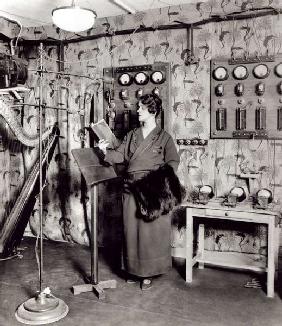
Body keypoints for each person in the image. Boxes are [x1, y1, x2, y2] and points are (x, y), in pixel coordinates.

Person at [98, 93, 180, 290]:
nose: (138, 111)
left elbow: (173, 163)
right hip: (130, 190)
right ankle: (134, 269)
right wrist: (104, 152)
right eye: (139, 107)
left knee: (150, 234)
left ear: (152, 111)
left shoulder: (164, 138)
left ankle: (148, 273)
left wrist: (155, 184)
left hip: (152, 193)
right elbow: (119, 155)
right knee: (132, 232)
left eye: (142, 108)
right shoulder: (132, 135)